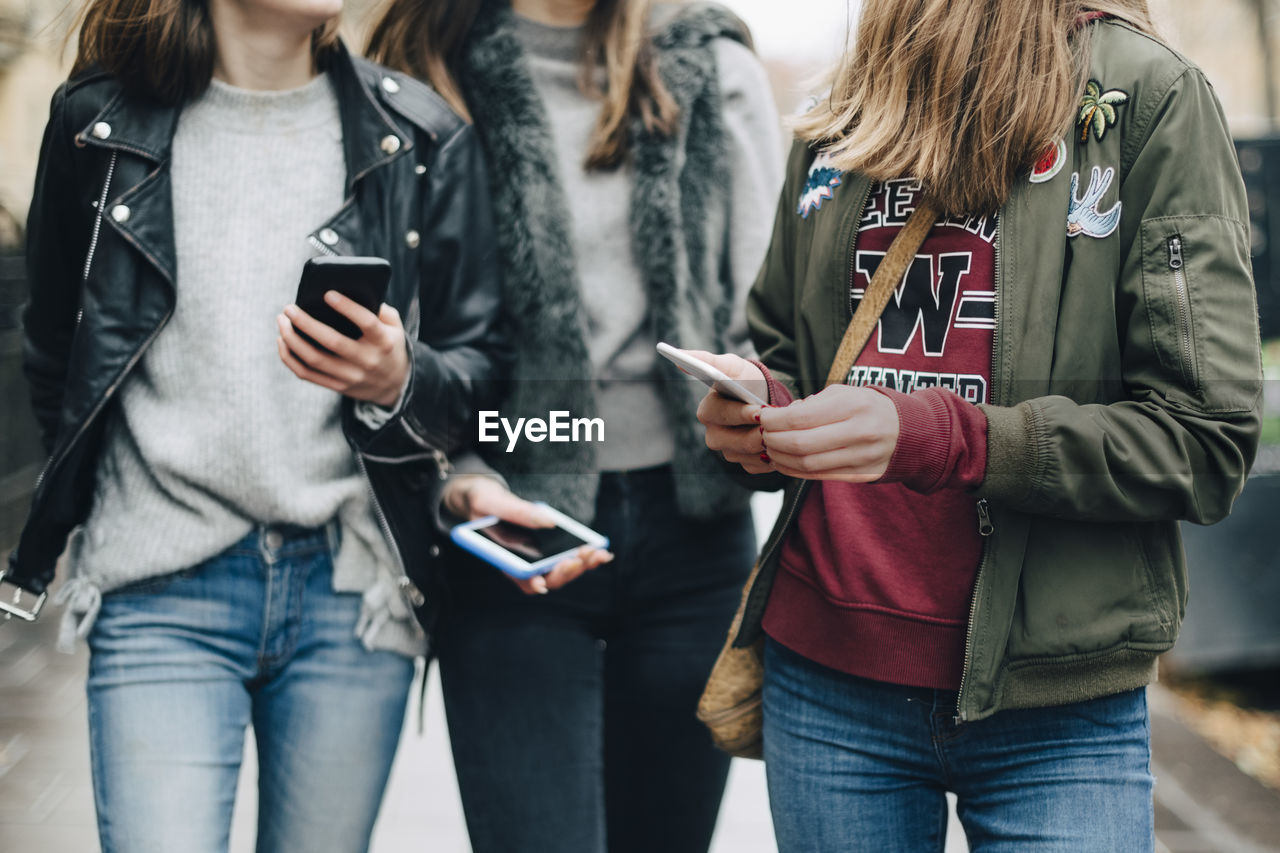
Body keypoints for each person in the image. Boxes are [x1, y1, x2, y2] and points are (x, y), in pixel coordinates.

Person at [693, 2, 1262, 851]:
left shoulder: (1147, 96)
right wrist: (760, 411)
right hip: (827, 681)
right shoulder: (848, 101)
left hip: (1058, 704)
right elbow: (788, 351)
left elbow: (1203, 437)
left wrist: (943, 436)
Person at [5, 0, 506, 846]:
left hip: (349, 593)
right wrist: (94, 505)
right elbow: (57, 347)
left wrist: (398, 377)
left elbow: (482, 374)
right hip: (157, 579)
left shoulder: (419, 134)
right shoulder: (97, 123)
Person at [365, 1, 782, 850]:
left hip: (692, 536)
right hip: (508, 529)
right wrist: (457, 476)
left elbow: (767, 319)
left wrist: (760, 396)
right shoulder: (423, 74)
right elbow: (410, 326)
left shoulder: (709, 63)